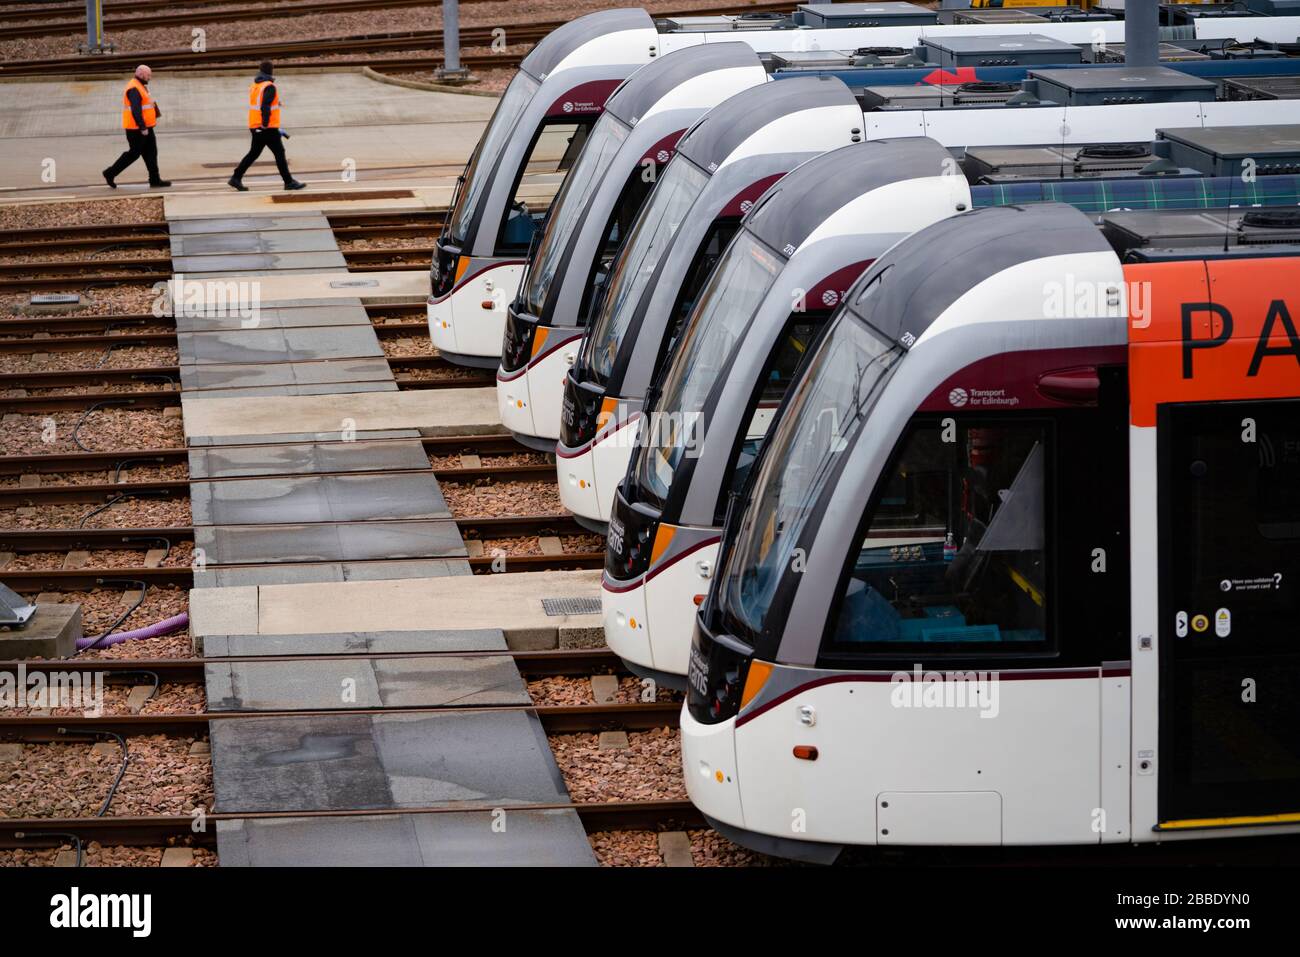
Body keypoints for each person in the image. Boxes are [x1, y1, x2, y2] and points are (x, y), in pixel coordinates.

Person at [229, 61, 305, 191]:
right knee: (279, 153)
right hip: (267, 127)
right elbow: (264, 106)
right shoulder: (269, 86)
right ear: (271, 71)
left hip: (255, 125)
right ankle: (288, 182)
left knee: (254, 153)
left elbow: (259, 103)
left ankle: (236, 178)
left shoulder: (255, 85)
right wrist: (265, 124)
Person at [103, 65, 171, 189]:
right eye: (148, 75)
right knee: (133, 154)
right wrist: (142, 127)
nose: (150, 78)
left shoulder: (141, 86)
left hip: (147, 127)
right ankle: (110, 173)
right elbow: (135, 110)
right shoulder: (134, 88)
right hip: (137, 129)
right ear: (141, 74)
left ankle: (155, 180)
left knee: (151, 153)